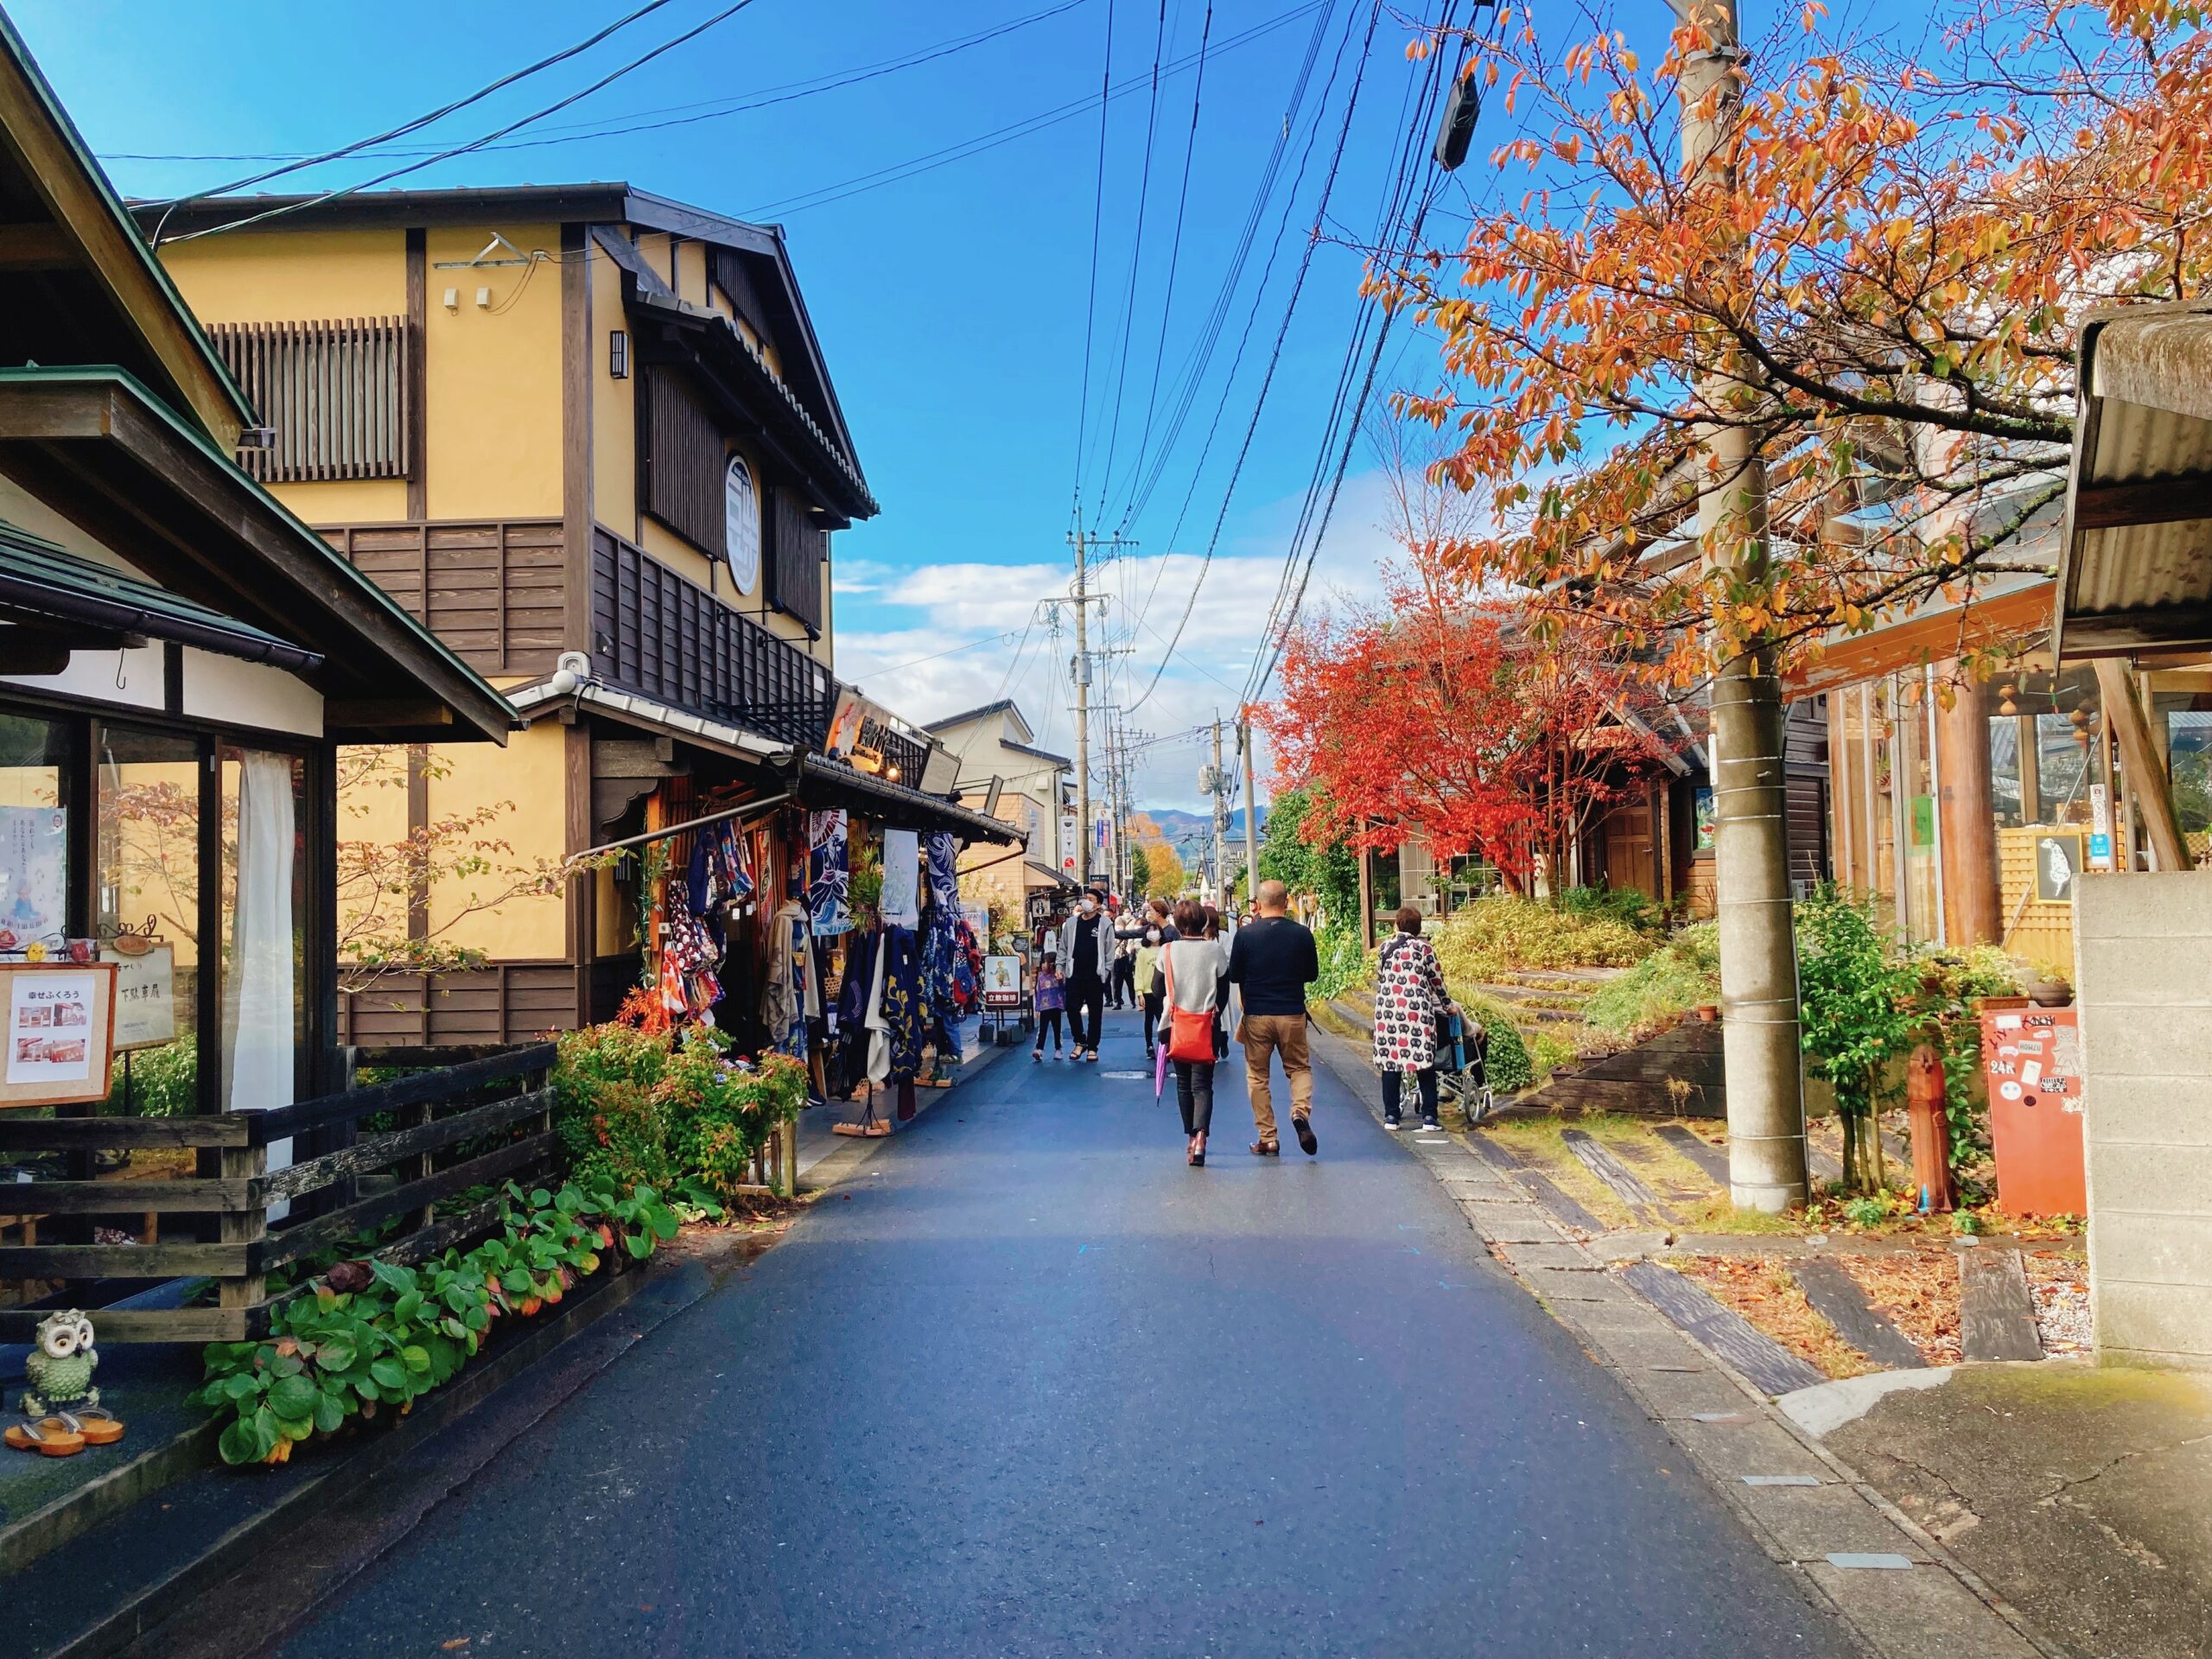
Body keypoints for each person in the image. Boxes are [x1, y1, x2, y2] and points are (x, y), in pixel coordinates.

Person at [1226, 879, 1321, 1156]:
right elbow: (1311, 975)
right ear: (1286, 901)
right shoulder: (1302, 934)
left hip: (1257, 1014)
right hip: (1292, 1012)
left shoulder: (1245, 935)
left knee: (1257, 1077)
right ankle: (1299, 1112)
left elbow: (1234, 975)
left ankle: (1268, 1138)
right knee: (1299, 1069)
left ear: (1259, 902)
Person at [1371, 906, 1455, 1129]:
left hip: (1388, 1013)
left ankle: (1391, 1116)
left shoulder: (1385, 947)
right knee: (1424, 1063)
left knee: (1391, 1063)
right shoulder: (1424, 949)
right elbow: (1437, 981)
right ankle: (1429, 1117)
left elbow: (1381, 976)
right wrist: (1448, 1006)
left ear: (1397, 925)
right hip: (1417, 1013)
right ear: (1418, 928)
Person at [1158, 899, 1226, 1166]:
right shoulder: (1215, 950)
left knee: (1184, 1083)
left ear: (1177, 922)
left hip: (1176, 1024)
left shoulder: (1167, 950)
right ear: (1203, 922)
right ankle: (1201, 1137)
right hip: (1206, 1025)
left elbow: (1156, 987)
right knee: (1203, 1085)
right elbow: (1223, 990)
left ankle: (1190, 1137)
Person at [1058, 889, 1114, 1060]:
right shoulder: (1071, 923)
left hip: (1095, 976)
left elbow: (1109, 950)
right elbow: (1063, 947)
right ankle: (1080, 1041)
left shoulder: (1105, 923)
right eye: (1085, 898)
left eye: (1090, 899)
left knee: (1095, 1013)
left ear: (1098, 904)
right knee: (1072, 1009)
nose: (1086, 901)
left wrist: (1105, 971)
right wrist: (1060, 966)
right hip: (1074, 974)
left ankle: (1093, 1047)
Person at [1032, 954, 1066, 1062]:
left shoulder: (1057, 976)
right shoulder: (1040, 977)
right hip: (1044, 1008)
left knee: (1057, 1029)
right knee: (1042, 1029)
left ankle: (1058, 1049)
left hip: (1056, 1006)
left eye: (1045, 963)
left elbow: (1063, 988)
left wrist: (1063, 1004)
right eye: (1042, 963)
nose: (1043, 965)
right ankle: (1039, 1049)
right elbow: (1038, 993)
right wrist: (1037, 1008)